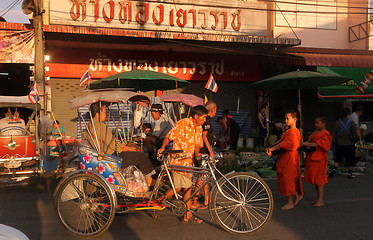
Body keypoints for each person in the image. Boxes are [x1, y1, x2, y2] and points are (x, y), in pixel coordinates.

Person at [157, 105, 208, 224]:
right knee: (187, 188)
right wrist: (163, 147)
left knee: (179, 188)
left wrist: (199, 156)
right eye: (203, 117)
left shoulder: (199, 128)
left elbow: (196, 145)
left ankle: (160, 201)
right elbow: (169, 136)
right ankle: (188, 214)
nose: (205, 120)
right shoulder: (182, 124)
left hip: (188, 162)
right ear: (196, 116)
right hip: (178, 161)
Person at [86, 102, 155, 186]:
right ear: (97, 114)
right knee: (140, 156)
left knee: (134, 152)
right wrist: (129, 149)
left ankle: (140, 180)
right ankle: (149, 181)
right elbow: (114, 145)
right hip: (112, 157)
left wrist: (127, 147)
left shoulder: (90, 125)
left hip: (107, 155)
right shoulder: (99, 126)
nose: (106, 114)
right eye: (104, 112)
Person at [266, 110, 303, 210]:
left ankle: (290, 202)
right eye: (285, 118)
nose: (286, 120)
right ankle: (297, 195)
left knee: (288, 179)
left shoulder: (294, 132)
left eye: (288, 118)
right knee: (287, 178)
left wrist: (272, 149)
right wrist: (271, 148)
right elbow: (280, 142)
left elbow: (285, 144)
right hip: (285, 157)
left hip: (290, 158)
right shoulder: (288, 131)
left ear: (295, 119)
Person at [301, 115, 332, 207]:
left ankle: (321, 200)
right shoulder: (315, 133)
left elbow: (317, 145)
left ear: (324, 123)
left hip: (320, 159)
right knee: (314, 180)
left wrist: (305, 143)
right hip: (312, 158)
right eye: (315, 122)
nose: (316, 124)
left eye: (318, 122)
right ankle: (318, 198)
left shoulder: (325, 134)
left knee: (319, 180)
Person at [195, 101, 218, 207]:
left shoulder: (206, 119)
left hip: (204, 150)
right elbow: (204, 136)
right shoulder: (206, 119)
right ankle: (194, 200)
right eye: (215, 110)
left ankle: (206, 199)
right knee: (203, 176)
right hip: (202, 150)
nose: (215, 113)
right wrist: (211, 152)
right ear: (212, 109)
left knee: (206, 176)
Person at [329, 108, 362, 179]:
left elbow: (333, 133)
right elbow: (357, 131)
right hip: (349, 144)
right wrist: (360, 139)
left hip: (339, 144)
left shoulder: (337, 122)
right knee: (350, 159)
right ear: (348, 114)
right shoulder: (351, 122)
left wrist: (336, 140)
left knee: (338, 157)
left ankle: (334, 169)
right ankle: (349, 173)